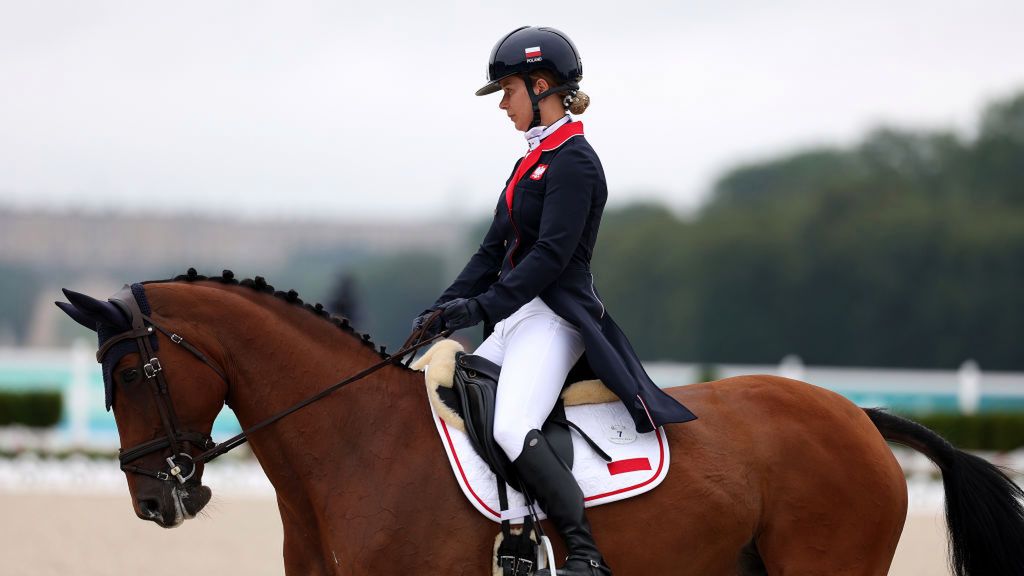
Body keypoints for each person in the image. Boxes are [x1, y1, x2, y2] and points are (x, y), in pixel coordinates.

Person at [413, 26, 697, 576]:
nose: (503, 104)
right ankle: (511, 524)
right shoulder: (530, 161)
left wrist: (479, 310)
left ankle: (586, 555)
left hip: (557, 317)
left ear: (541, 86)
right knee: (451, 399)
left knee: (512, 425)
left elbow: (549, 258)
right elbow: (491, 250)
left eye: (508, 91)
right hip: (519, 316)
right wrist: (442, 310)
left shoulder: (575, 161)